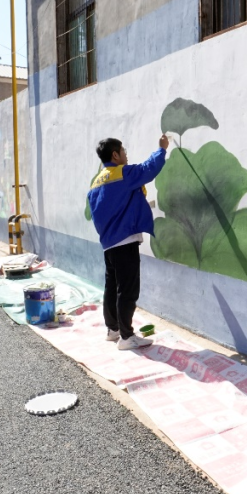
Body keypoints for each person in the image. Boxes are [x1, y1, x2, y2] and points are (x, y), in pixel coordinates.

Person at [86, 134, 169, 351]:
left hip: (109, 244)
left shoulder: (96, 182)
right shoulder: (122, 173)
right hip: (125, 241)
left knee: (112, 287)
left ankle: (113, 330)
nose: (126, 154)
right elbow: (148, 169)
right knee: (128, 290)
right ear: (115, 155)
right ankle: (127, 336)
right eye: (123, 151)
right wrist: (161, 149)